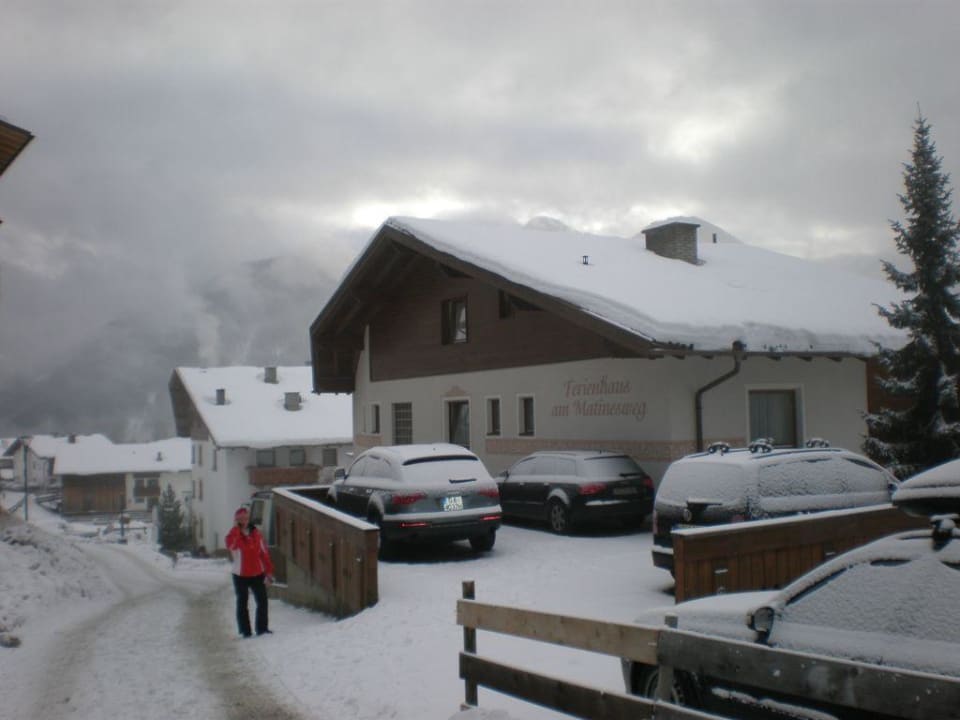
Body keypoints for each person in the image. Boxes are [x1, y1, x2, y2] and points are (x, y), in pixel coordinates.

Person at [225, 505, 274, 637]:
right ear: (236, 520)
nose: (244, 520)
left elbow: (264, 553)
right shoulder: (232, 534)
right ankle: (245, 631)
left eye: (246, 518)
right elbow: (231, 545)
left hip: (257, 573)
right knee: (242, 602)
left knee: (262, 601)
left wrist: (269, 572)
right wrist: (236, 530)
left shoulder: (256, 533)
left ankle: (262, 629)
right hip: (240, 574)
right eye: (241, 518)